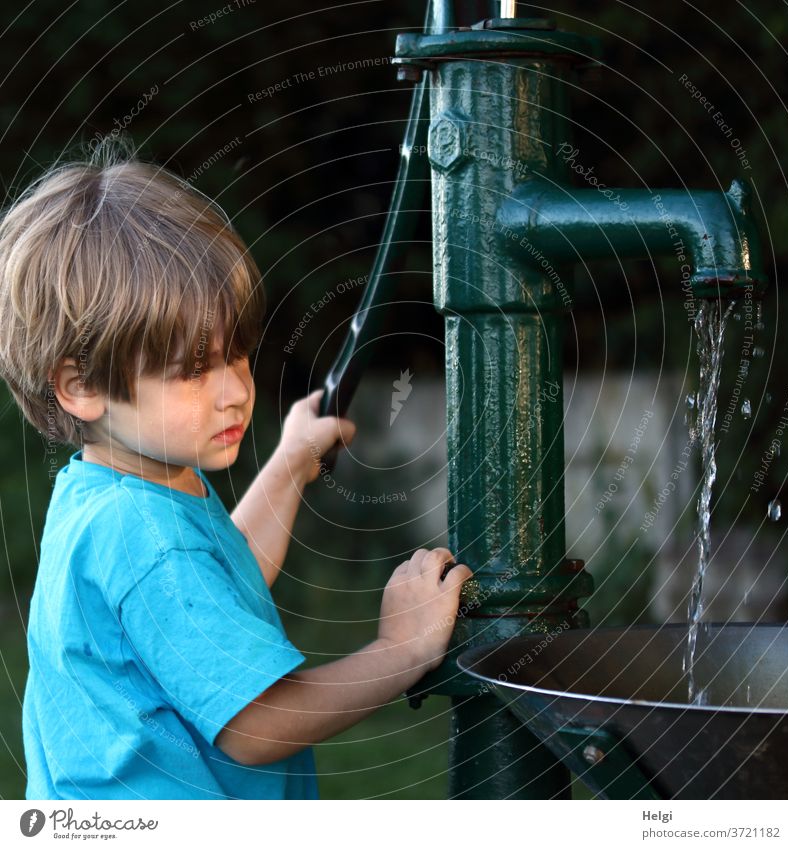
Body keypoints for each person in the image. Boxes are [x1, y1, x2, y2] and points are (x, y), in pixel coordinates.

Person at [0, 137, 472, 800]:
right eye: (193, 369)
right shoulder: (143, 533)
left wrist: (289, 463)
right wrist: (403, 649)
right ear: (80, 386)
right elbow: (255, 722)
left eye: (238, 353)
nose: (234, 390)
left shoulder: (107, 491)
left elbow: (221, 575)